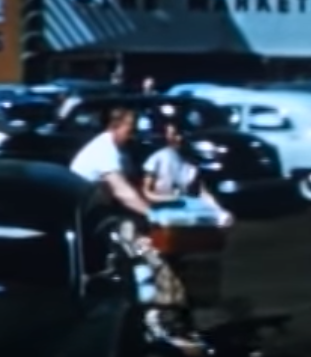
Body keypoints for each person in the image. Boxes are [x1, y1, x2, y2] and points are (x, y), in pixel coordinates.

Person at [70, 109, 204, 354]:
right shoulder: (104, 151)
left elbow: (133, 187)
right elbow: (123, 192)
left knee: (151, 246)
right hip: (91, 220)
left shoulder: (119, 150)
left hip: (105, 214)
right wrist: (152, 216)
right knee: (150, 254)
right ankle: (159, 316)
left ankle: (166, 309)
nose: (133, 135)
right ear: (115, 126)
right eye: (130, 129)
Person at [143, 120, 231, 219]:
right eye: (173, 134)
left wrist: (220, 211)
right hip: (163, 212)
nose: (178, 138)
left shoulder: (192, 163)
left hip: (186, 213)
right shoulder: (157, 158)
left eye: (180, 134)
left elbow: (203, 193)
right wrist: (168, 199)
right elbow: (147, 192)